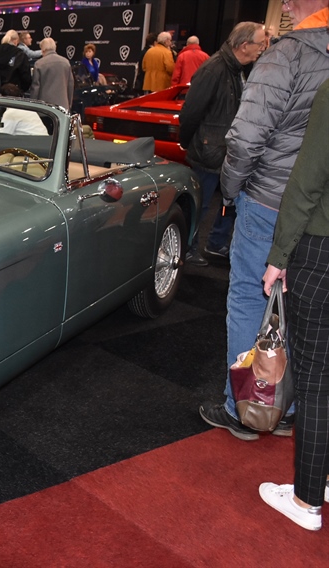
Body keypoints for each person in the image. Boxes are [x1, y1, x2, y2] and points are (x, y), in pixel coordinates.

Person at [200, 0, 329, 441]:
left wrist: (231, 191)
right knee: (302, 305)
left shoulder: (286, 54)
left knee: (250, 299)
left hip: (270, 200)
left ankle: (246, 409)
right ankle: (288, 406)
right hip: (318, 210)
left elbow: (246, 137)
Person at [259, 77, 329, 532]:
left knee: (316, 380)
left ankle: (306, 501)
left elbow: (307, 181)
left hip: (321, 250)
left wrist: (279, 255)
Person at [178, 22, 265, 267]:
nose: (262, 48)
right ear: (244, 45)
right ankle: (187, 248)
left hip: (226, 150)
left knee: (228, 201)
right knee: (200, 203)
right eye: (260, 44)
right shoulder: (214, 69)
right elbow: (190, 112)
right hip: (209, 150)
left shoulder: (237, 69)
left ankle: (215, 243)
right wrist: (187, 143)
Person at [28, 37, 73, 110]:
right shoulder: (66, 62)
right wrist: (69, 104)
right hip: (63, 107)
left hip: (45, 108)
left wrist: (32, 106)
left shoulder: (39, 64)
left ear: (43, 50)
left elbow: (35, 88)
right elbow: (70, 85)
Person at [0, 29, 31, 95]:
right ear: (16, 41)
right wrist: (22, 89)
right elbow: (26, 77)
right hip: (13, 93)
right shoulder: (20, 54)